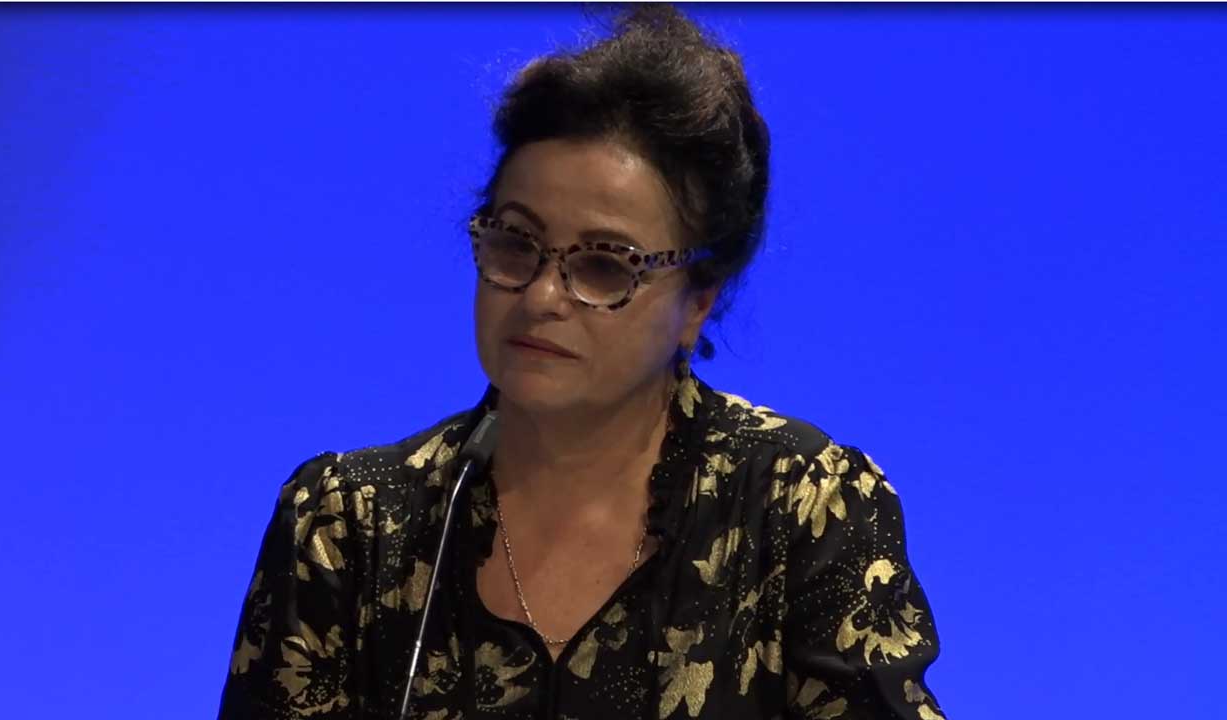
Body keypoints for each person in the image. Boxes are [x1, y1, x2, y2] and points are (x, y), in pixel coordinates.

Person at [217, 5, 946, 719]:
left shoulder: (804, 508)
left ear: (697, 301)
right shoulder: (346, 525)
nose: (540, 295)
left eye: (604, 265)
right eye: (515, 242)